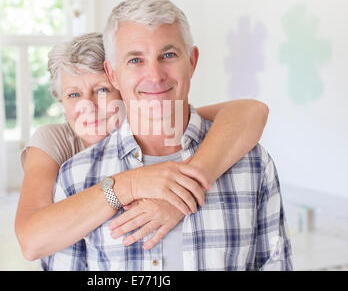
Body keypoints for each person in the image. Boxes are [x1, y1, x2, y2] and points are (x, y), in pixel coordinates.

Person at [44, 0, 292, 271]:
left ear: (192, 61)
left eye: (168, 55)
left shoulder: (253, 163)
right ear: (113, 74)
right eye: (136, 60)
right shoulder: (76, 177)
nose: (155, 75)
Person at [15, 32, 269, 263]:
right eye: (73, 95)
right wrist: (127, 185)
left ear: (124, 88)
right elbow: (31, 241)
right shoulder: (56, 141)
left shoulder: (158, 127)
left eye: (102, 90)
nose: (87, 107)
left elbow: (250, 111)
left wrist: (179, 197)